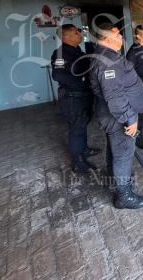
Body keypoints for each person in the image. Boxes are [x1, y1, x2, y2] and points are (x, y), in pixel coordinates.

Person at [90, 22, 143, 210]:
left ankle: (113, 179)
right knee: (123, 153)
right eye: (117, 35)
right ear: (107, 38)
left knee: (115, 149)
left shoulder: (106, 56)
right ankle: (124, 196)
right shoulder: (108, 61)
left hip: (113, 115)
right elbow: (114, 96)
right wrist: (130, 118)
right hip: (117, 117)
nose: (121, 37)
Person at [50, 24, 100, 174]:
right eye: (75, 32)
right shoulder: (60, 53)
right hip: (73, 98)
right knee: (76, 128)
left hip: (83, 96)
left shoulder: (77, 51)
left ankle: (83, 149)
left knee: (82, 124)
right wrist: (82, 82)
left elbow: (88, 63)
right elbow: (58, 75)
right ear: (66, 37)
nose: (79, 33)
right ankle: (78, 162)